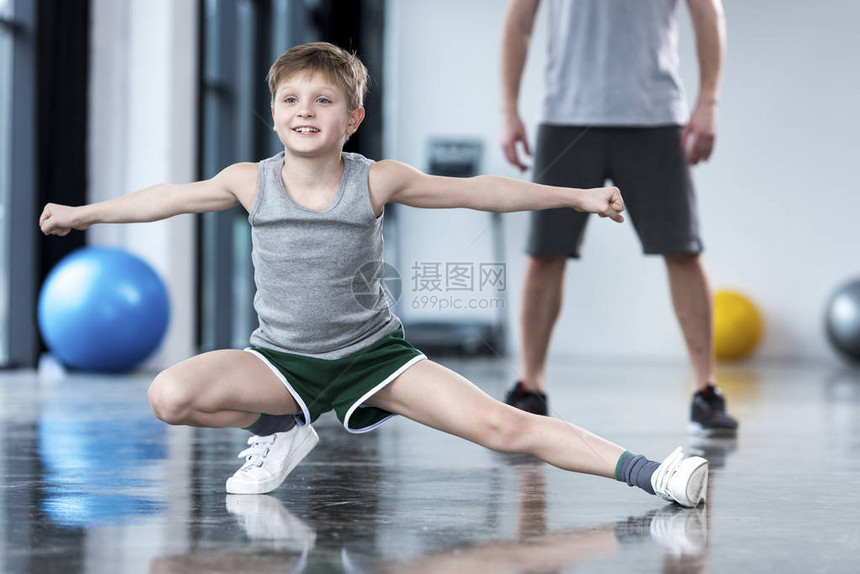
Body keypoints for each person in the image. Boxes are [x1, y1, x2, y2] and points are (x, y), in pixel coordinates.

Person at [39, 42, 708, 506]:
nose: (306, 110)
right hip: (281, 363)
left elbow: (482, 191)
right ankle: (281, 426)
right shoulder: (248, 182)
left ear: (352, 120)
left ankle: (655, 474)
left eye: (324, 100)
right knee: (170, 396)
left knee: (503, 428)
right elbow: (163, 198)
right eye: (292, 98)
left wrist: (578, 197)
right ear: (273, 113)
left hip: (374, 358)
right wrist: (84, 213)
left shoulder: (377, 180)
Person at [499, 0, 738, 437]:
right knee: (544, 253)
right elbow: (520, 20)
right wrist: (508, 109)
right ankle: (529, 388)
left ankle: (706, 391)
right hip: (566, 114)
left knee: (684, 250)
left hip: (654, 114)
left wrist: (709, 101)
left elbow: (708, 14)